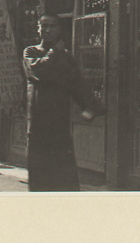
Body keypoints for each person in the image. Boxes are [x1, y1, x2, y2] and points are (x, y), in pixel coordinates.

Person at [23, 13, 104, 192]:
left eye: (52, 26)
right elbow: (40, 71)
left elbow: (76, 84)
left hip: (59, 122)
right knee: (39, 176)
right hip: (37, 123)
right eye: (43, 26)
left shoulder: (66, 57)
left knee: (64, 176)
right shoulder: (30, 52)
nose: (47, 30)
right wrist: (55, 52)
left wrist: (92, 106)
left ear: (59, 30)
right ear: (38, 29)